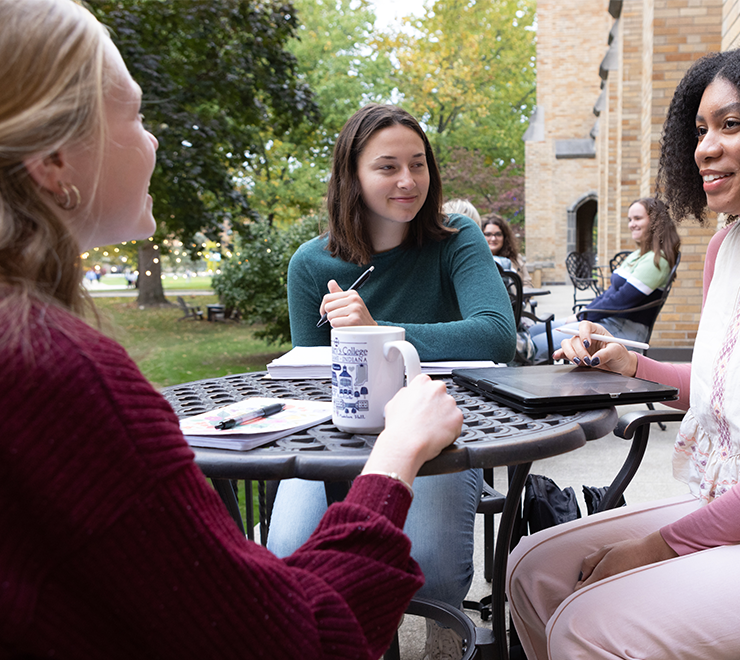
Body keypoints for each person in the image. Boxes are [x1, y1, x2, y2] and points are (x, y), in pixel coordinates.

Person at [0, 2, 466, 658]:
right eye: (134, 115)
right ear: (52, 159)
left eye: (417, 164)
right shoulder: (57, 372)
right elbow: (299, 641)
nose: (156, 141)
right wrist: (398, 452)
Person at [507, 31, 740, 660]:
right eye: (699, 129)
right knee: (533, 569)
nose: (704, 148)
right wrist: (632, 362)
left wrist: (660, 545)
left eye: (730, 125)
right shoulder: (726, 247)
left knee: (592, 625)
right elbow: (736, 387)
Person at [271, 104, 516, 659]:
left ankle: (443, 641)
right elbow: (308, 373)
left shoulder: (458, 241)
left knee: (430, 570)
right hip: (340, 433)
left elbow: (496, 335)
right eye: (387, 167)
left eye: (418, 163)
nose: (408, 181)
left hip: (440, 428)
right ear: (351, 177)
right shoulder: (313, 264)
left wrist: (381, 332)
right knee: (289, 548)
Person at [529, 197, 680, 362]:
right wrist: (582, 314)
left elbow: (621, 300)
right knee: (534, 330)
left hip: (624, 330)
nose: (631, 224)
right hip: (608, 321)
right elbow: (609, 294)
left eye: (637, 218)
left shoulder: (657, 261)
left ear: (656, 222)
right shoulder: (638, 255)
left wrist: (582, 316)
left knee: (535, 344)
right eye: (630, 219)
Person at [481, 213, 533, 287]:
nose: (493, 238)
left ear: (505, 237)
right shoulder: (476, 260)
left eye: (498, 234)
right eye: (488, 234)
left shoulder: (516, 258)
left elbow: (527, 283)